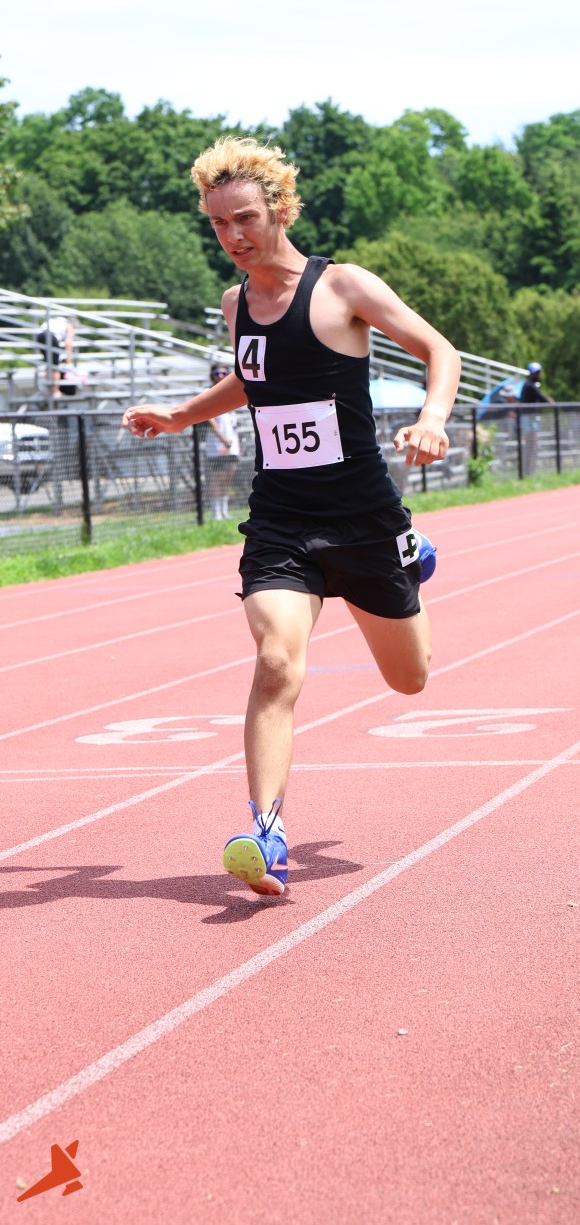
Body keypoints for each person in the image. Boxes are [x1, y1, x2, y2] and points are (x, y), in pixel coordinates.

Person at [122, 136, 461, 898]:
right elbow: (253, 378)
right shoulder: (235, 304)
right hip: (281, 518)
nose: (232, 236)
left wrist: (433, 418)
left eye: (244, 218)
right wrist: (181, 415)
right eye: (218, 224)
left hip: (363, 515)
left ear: (279, 209)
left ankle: (410, 554)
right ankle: (267, 832)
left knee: (409, 680)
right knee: (277, 659)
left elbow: (439, 350)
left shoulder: (343, 286)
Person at [203, 363, 242, 519]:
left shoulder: (230, 393)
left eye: (224, 373)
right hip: (217, 444)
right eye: (217, 373)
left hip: (232, 443)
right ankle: (216, 512)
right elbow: (210, 418)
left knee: (227, 478)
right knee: (216, 478)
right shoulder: (208, 392)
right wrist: (222, 439)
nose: (220, 376)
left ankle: (224, 510)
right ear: (212, 375)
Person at [518, 361, 552, 476]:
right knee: (530, 444)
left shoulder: (532, 385)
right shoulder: (529, 385)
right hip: (527, 418)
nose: (538, 375)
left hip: (531, 418)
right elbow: (541, 398)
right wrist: (549, 401)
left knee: (533, 444)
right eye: (536, 373)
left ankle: (530, 469)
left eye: (539, 372)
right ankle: (527, 470)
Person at [34, 313, 76, 398]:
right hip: (50, 337)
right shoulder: (69, 325)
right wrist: (68, 362)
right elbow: (68, 343)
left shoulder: (57, 320)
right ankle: (55, 392)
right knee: (54, 366)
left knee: (49, 364)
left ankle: (50, 389)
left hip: (39, 336)